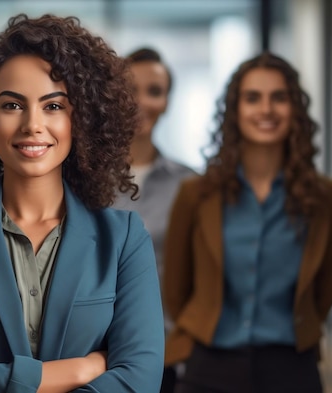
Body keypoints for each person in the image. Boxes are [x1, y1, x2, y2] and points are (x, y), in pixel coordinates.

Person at [0, 13, 165, 393]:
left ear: (80, 118)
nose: (32, 124)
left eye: (54, 106)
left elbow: (139, 379)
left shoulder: (124, 238)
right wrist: (79, 371)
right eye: (12, 105)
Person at [163, 52, 332, 393]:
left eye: (279, 97)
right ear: (235, 111)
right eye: (252, 98)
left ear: (296, 109)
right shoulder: (196, 194)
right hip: (208, 368)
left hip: (293, 369)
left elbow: (324, 293)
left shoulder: (326, 197)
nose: (266, 110)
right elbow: (176, 289)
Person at [112, 47, 196, 393]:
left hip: (167, 355)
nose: (141, 102)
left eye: (154, 91)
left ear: (167, 101)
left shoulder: (191, 185)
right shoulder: (79, 180)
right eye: (130, 91)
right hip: (95, 352)